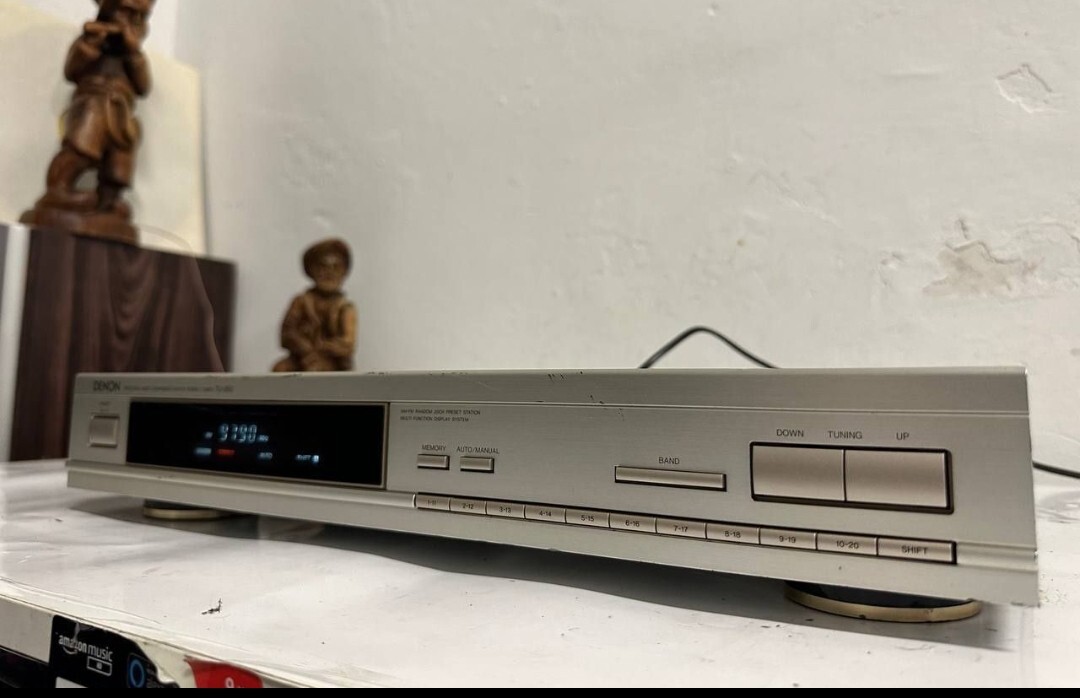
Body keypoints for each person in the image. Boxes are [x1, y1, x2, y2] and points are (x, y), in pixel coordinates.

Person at [37, 0, 154, 218]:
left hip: (122, 112)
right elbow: (71, 71)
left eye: (140, 17)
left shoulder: (133, 54)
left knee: (118, 161)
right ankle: (59, 187)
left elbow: (143, 86)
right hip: (93, 103)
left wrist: (133, 54)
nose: (132, 21)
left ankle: (109, 201)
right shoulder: (92, 39)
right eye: (127, 12)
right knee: (81, 148)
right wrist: (90, 46)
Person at [273, 239, 358, 373]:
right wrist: (306, 349)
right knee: (280, 369)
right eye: (323, 267)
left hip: (332, 362)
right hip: (302, 356)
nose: (329, 273)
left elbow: (347, 344)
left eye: (336, 267)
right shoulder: (301, 302)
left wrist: (322, 349)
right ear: (312, 270)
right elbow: (287, 333)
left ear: (344, 271)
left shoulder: (345, 308)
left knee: (316, 371)